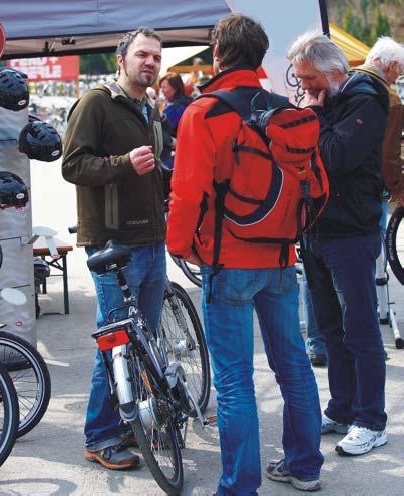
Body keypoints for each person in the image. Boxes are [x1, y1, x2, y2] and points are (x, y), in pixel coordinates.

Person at [167, 14, 323, 495]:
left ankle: (239, 486)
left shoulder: (204, 112)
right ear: (260, 56)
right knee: (293, 365)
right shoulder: (286, 110)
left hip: (227, 260)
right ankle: (305, 466)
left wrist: (181, 247)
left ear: (217, 52)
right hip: (279, 259)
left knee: (235, 381)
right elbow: (317, 188)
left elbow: (186, 193)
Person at [62, 27, 166, 470]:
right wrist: (123, 164)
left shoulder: (149, 106)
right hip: (112, 243)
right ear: (121, 58)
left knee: (145, 340)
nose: (150, 63)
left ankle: (132, 423)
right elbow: (71, 164)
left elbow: (158, 164)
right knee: (116, 341)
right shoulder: (95, 102)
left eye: (156, 58)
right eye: (142, 55)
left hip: (152, 239)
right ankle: (100, 435)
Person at [288, 32, 389, 456]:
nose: (304, 89)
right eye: (300, 80)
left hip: (350, 232)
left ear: (334, 73)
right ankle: (343, 407)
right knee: (330, 327)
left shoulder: (366, 99)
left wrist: (310, 117)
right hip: (316, 231)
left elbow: (333, 157)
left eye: (309, 79)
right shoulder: (329, 101)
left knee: (360, 328)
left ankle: (372, 420)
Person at [355, 37, 404, 225]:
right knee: (377, 242)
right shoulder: (389, 98)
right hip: (372, 183)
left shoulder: (346, 82)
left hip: (344, 187)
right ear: (391, 65)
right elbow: (388, 153)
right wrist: (398, 188)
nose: (395, 80)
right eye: (398, 74)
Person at [159, 72, 191, 170]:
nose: (162, 91)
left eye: (164, 87)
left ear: (175, 88)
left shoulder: (176, 108)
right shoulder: (188, 101)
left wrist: (171, 141)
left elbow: (162, 130)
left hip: (176, 155)